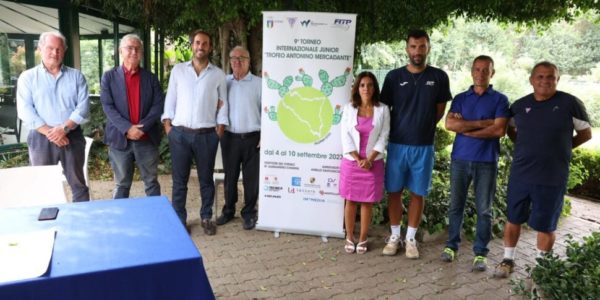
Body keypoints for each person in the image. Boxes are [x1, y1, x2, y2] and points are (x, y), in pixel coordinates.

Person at [494, 61, 592, 278]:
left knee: (546, 225)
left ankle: (541, 268)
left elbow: (586, 134)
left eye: (550, 77)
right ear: (532, 79)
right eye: (540, 76)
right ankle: (508, 259)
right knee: (513, 218)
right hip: (521, 174)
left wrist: (563, 149)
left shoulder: (571, 103)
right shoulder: (519, 105)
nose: (545, 81)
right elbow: (510, 129)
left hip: (552, 176)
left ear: (557, 79)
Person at [380, 29, 452, 258]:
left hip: (424, 145)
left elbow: (440, 111)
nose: (417, 51)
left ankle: (410, 239)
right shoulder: (393, 77)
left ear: (428, 48)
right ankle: (394, 237)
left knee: (418, 193)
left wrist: (423, 125)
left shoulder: (439, 77)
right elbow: (384, 111)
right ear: (407, 48)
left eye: (422, 46)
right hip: (397, 144)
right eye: (413, 46)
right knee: (394, 192)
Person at [441, 55, 509, 271]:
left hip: (486, 161)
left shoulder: (500, 99)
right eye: (477, 69)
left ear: (492, 73)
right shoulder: (461, 98)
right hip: (460, 159)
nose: (480, 74)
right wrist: (482, 124)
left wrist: (466, 128)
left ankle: (480, 253)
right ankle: (451, 246)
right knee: (455, 206)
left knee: (484, 210)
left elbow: (499, 130)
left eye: (485, 70)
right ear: (471, 71)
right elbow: (450, 124)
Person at [161, 29, 228, 235]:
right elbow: (170, 99)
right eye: (197, 42)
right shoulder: (179, 71)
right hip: (179, 134)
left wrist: (219, 129)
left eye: (205, 43)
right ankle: (180, 219)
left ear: (210, 47)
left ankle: (206, 216)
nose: (201, 46)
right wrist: (168, 126)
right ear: (192, 45)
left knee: (206, 180)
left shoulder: (217, 74)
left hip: (207, 136)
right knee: (179, 181)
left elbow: (223, 104)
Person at [16, 31, 90, 201]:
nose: (55, 53)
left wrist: (63, 129)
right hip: (41, 138)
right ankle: (50, 225)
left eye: (59, 49)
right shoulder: (27, 78)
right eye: (50, 48)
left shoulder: (77, 76)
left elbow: (83, 108)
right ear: (40, 48)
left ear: (64, 50)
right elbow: (25, 111)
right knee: (42, 185)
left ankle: (83, 224)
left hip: (72, 135)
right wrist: (52, 133)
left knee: (78, 185)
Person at [100, 33, 164, 199]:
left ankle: (155, 218)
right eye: (129, 48)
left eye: (137, 49)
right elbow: (108, 106)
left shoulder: (150, 78)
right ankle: (121, 223)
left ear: (141, 52)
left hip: (146, 139)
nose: (134, 52)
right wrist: (127, 128)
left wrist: (141, 128)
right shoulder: (109, 77)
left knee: (151, 183)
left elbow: (158, 106)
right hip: (120, 140)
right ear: (121, 51)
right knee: (121, 184)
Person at [340, 72, 390, 254]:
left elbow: (384, 135)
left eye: (369, 85)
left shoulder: (383, 109)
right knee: (351, 200)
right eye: (362, 85)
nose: (366, 88)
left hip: (373, 162)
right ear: (357, 88)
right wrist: (358, 159)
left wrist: (368, 160)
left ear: (374, 88)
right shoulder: (349, 108)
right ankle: (349, 237)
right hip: (352, 161)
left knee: (367, 202)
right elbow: (345, 135)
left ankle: (362, 238)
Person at [215, 46, 261, 230]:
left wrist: (264, 136)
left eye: (241, 58)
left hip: (253, 138)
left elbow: (268, 112)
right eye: (233, 57)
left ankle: (249, 213)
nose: (237, 61)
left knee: (251, 179)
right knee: (230, 176)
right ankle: (228, 210)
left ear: (249, 61)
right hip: (230, 137)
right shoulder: (224, 82)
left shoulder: (259, 83)